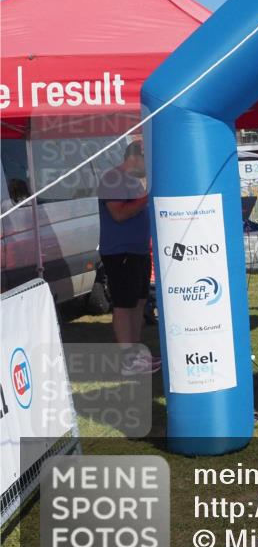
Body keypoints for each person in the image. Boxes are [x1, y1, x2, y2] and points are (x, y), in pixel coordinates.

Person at [97, 140, 159, 374]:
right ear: (135, 157)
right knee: (124, 305)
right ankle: (127, 359)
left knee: (139, 302)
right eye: (146, 161)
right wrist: (148, 197)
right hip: (120, 252)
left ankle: (136, 355)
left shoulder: (133, 182)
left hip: (138, 250)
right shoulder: (112, 179)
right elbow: (119, 214)